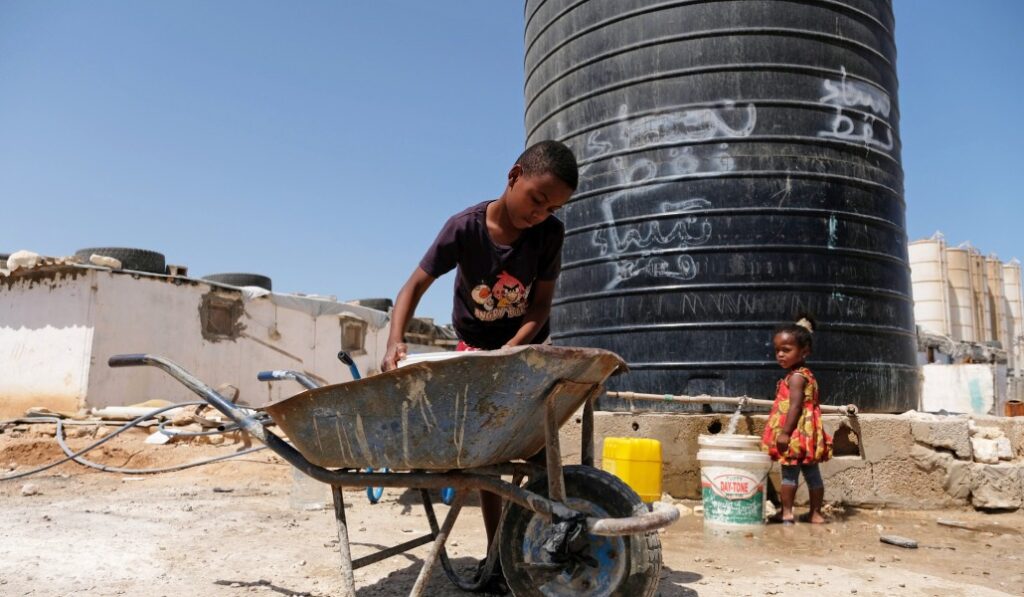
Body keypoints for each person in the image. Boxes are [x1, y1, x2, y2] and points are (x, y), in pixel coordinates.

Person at [381, 139, 578, 589]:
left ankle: (545, 548)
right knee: (490, 456)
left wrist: (512, 349)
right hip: (474, 351)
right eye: (537, 199)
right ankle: (497, 559)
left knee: (538, 452)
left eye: (552, 208)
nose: (541, 213)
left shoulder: (549, 234)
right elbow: (413, 286)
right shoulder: (465, 228)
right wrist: (394, 341)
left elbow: (539, 306)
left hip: (523, 351)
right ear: (514, 176)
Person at [761, 315, 833, 524]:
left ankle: (786, 513)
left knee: (789, 475)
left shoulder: (795, 378)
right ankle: (815, 514)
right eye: (777, 350)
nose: (780, 354)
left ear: (804, 351)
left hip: (794, 434)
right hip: (806, 435)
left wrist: (784, 433)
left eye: (786, 350)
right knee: (812, 474)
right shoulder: (805, 374)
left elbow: (795, 406)